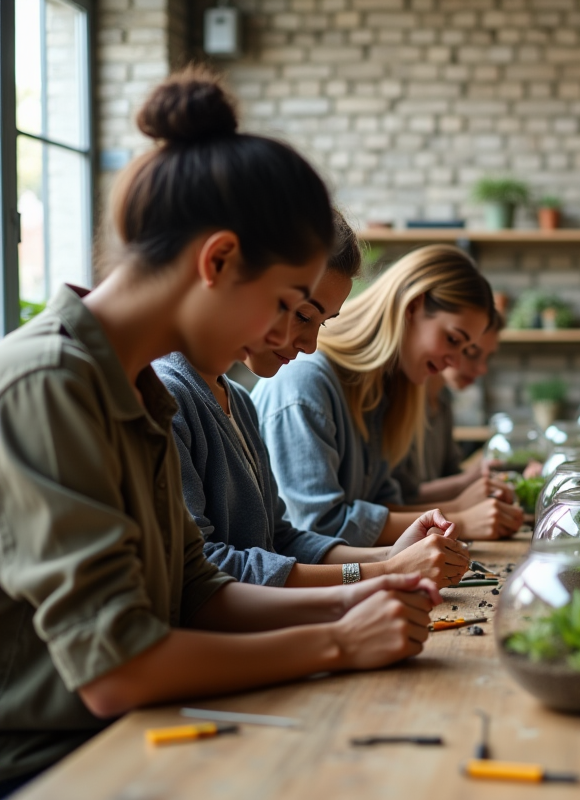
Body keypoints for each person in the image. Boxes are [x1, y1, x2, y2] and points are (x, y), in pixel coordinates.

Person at [0, 69, 439, 796]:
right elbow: (118, 669)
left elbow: (202, 594)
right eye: (287, 303)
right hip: (62, 767)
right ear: (218, 261)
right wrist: (336, 639)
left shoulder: (141, 391)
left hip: (148, 729)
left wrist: (355, 598)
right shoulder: (48, 384)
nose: (285, 336)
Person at [155, 211, 470, 588]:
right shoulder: (168, 396)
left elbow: (282, 540)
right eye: (302, 315)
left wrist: (392, 556)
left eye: (321, 323)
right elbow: (205, 571)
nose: (309, 344)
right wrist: (383, 571)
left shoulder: (238, 399)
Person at [253, 244, 523, 546]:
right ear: (412, 307)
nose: (456, 363)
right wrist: (460, 517)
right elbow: (319, 526)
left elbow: (384, 506)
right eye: (452, 340)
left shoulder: (379, 392)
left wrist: (457, 512)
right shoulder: (304, 382)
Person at [393, 309, 505, 506]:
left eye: (488, 358)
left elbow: (450, 472)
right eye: (471, 353)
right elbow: (399, 494)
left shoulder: (444, 400)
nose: (482, 369)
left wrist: (478, 474)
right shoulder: (401, 401)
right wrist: (468, 480)